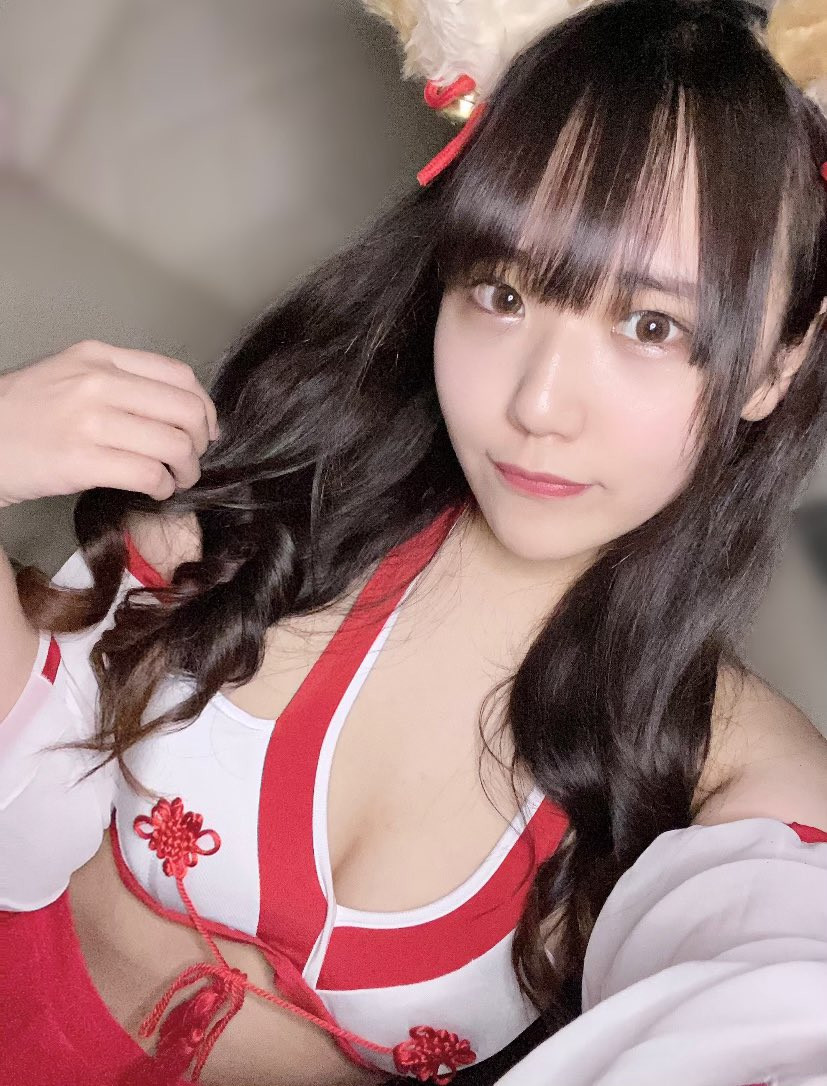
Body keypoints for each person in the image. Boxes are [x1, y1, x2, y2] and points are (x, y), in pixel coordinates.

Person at [1, 1, 826, 1084]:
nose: (536, 405)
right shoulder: (260, 526)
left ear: (778, 363)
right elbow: (18, 824)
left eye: (650, 326)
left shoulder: (733, 778)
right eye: (502, 292)